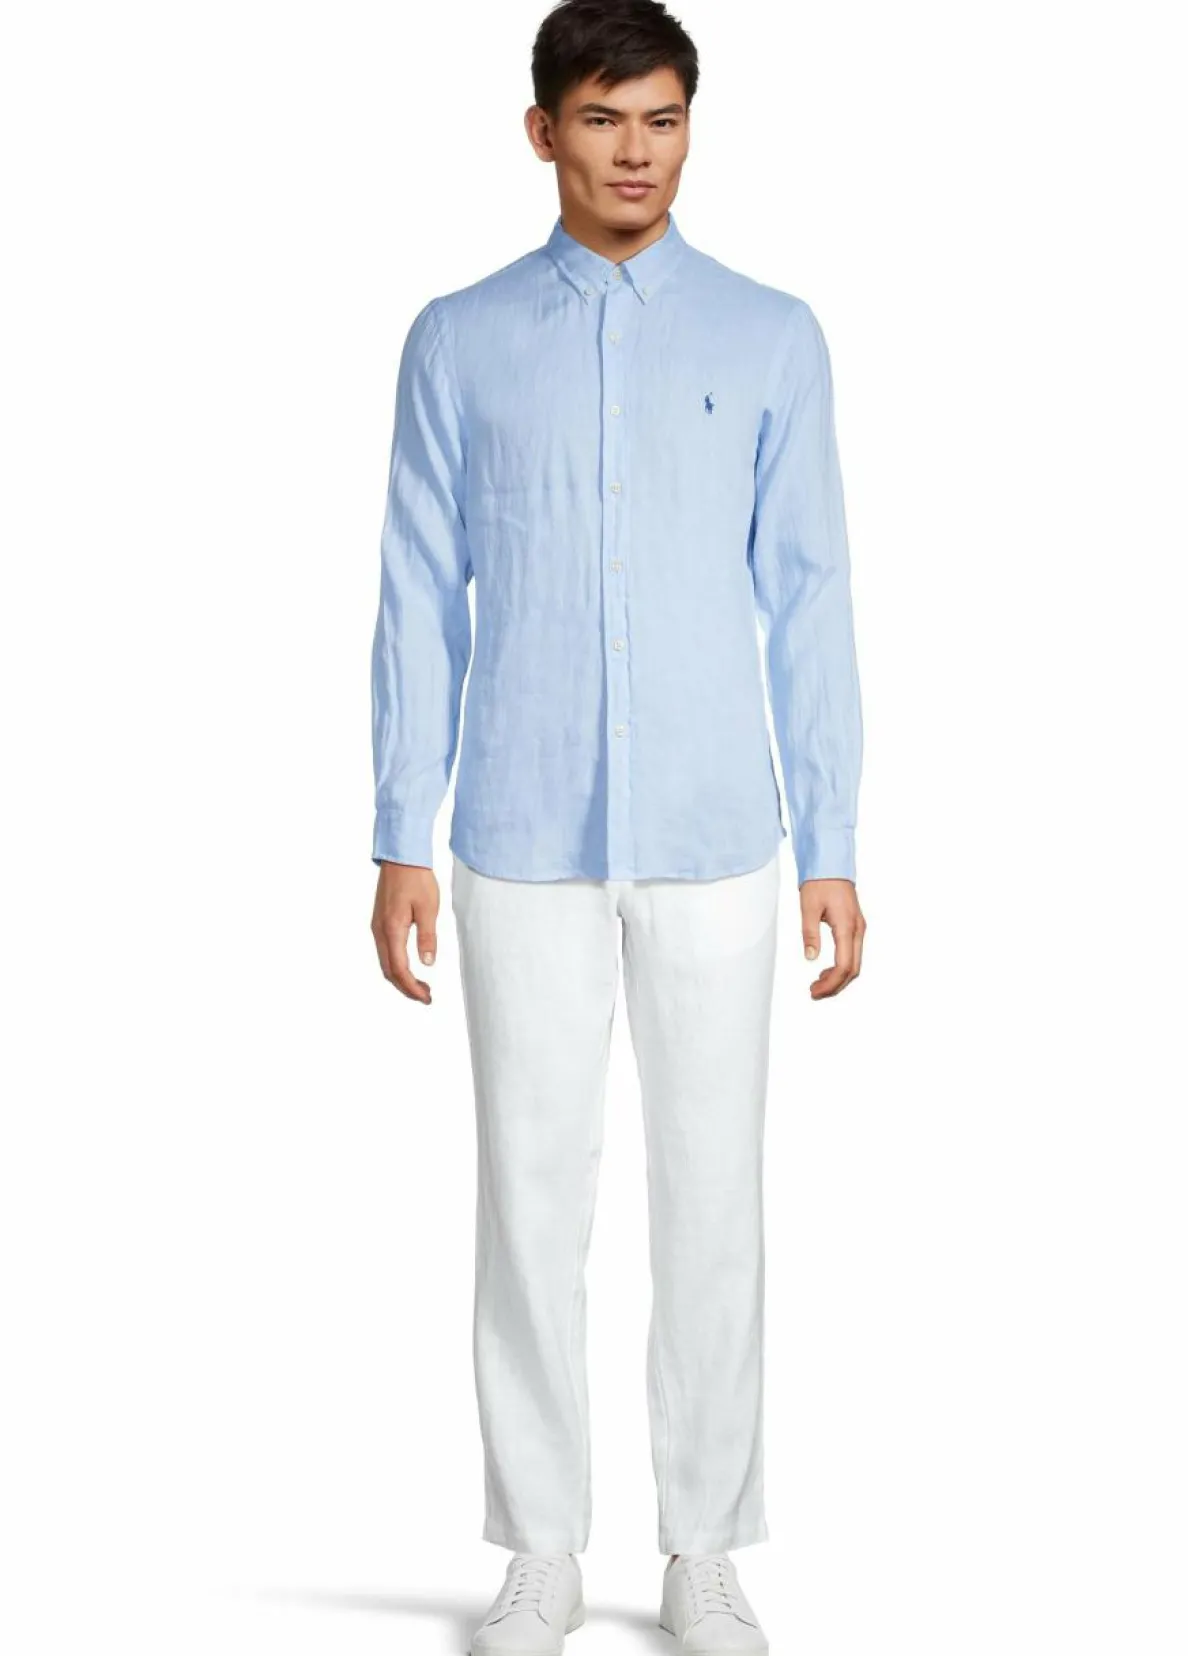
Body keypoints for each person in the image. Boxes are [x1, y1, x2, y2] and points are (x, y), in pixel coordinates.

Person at [368, 1, 865, 1649]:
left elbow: (810, 594)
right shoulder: (458, 340)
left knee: (715, 1200)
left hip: (721, 832)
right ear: (543, 134)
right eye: (600, 117)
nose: (634, 149)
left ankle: (703, 1544)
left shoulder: (771, 336)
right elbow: (415, 597)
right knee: (529, 1201)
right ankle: (541, 1547)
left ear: (689, 129)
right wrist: (398, 832)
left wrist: (833, 839)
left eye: (660, 117)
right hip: (520, 831)